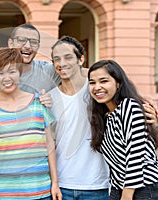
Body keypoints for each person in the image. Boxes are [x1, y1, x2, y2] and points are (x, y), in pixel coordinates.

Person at [0, 47, 62, 200]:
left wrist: (55, 183)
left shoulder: (38, 102)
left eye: (12, 72)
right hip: (4, 193)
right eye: (0, 73)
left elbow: (49, 145)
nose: (6, 78)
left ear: (20, 73)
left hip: (41, 190)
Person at [88, 59, 158, 200]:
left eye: (104, 81)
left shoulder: (130, 106)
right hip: (119, 188)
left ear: (118, 83)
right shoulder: (105, 117)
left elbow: (135, 156)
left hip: (145, 190)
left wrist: (126, 195)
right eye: (92, 82)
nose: (97, 87)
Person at [48, 36, 110, 200]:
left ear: (81, 59)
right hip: (62, 186)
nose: (62, 63)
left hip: (98, 185)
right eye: (56, 59)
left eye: (68, 57)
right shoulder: (49, 99)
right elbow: (50, 144)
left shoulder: (97, 93)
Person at [0, 24, 60, 96]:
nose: (27, 46)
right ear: (10, 43)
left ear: (38, 47)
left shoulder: (49, 70)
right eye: (21, 40)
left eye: (33, 42)